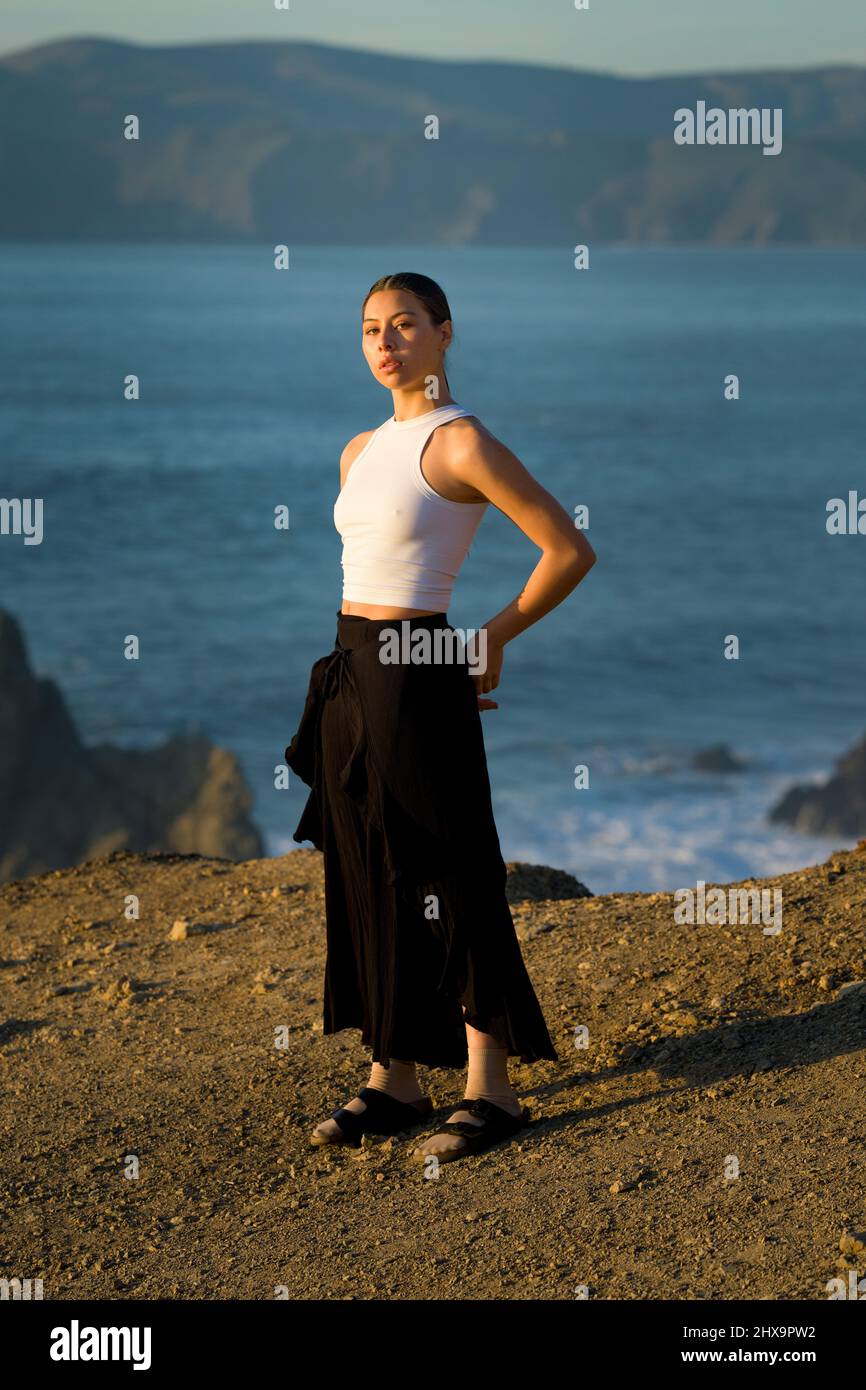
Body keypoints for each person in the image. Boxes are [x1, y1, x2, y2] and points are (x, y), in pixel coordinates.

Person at [284, 271, 596, 1164]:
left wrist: (491, 638)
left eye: (406, 325)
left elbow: (567, 550)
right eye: (372, 328)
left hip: (420, 665)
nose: (386, 342)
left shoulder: (461, 443)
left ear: (444, 333)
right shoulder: (358, 449)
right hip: (350, 671)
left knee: (450, 872)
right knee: (368, 870)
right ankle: (396, 1079)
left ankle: (490, 1090)